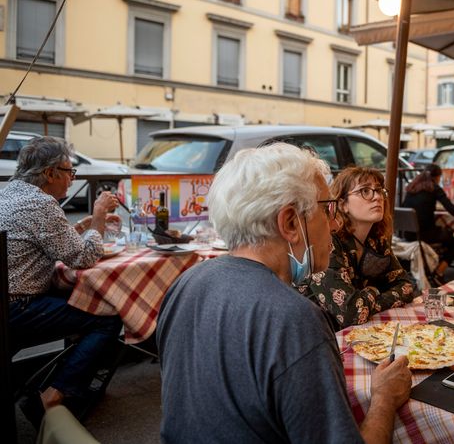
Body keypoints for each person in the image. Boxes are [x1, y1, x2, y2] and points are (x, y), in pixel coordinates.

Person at [157, 144, 411, 444]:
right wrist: (384, 397)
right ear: (291, 223)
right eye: (326, 208)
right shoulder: (293, 318)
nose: (333, 223)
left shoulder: (186, 284)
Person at [0, 136, 123, 427]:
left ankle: (68, 384)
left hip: (6, 304)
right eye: (70, 172)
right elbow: (84, 258)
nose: (72, 179)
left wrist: (82, 226)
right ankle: (52, 394)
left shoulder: (8, 194)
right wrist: (98, 216)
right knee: (107, 316)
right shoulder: (41, 204)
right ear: (50, 173)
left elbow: (47, 239)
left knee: (81, 302)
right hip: (20, 308)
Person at [297, 167, 418, 329]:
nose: (377, 197)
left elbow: (407, 287)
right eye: (365, 191)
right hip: (317, 335)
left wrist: (365, 299)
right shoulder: (329, 241)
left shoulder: (377, 241)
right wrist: (375, 291)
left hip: (362, 333)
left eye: (379, 190)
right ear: (342, 204)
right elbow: (351, 313)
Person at [401, 163, 454, 283]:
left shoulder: (412, 186)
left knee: (445, 234)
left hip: (408, 234)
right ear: (437, 177)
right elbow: (453, 211)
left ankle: (432, 265)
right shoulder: (434, 187)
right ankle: (439, 271)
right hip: (425, 234)